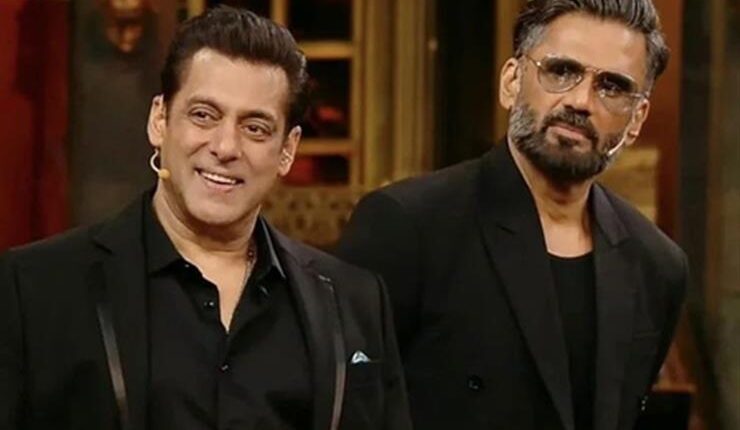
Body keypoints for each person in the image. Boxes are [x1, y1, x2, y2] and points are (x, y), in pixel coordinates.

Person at [0, 7, 411, 430]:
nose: (226, 147)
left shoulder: (353, 302)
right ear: (159, 120)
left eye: (255, 127)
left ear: (287, 150)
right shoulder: (37, 288)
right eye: (204, 115)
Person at [335, 1, 687, 429]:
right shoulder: (406, 226)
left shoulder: (657, 265)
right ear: (511, 81)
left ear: (636, 120)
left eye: (612, 87)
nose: (580, 101)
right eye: (561, 71)